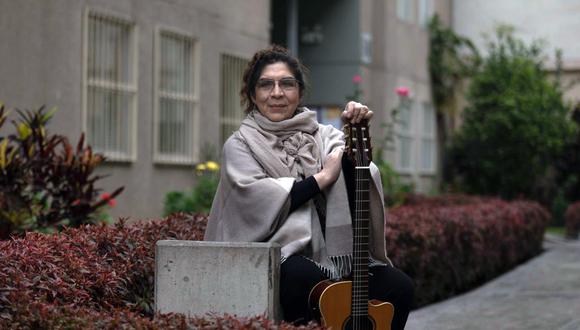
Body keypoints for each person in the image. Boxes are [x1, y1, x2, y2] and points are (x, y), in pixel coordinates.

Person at [204, 45, 414, 329]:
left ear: (300, 92)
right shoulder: (240, 144)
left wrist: (354, 136)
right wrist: (322, 179)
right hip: (276, 254)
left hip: (333, 257)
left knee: (398, 287)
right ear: (253, 95)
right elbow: (255, 199)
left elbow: (355, 174)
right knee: (299, 275)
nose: (277, 93)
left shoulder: (325, 136)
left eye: (287, 84)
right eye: (266, 85)